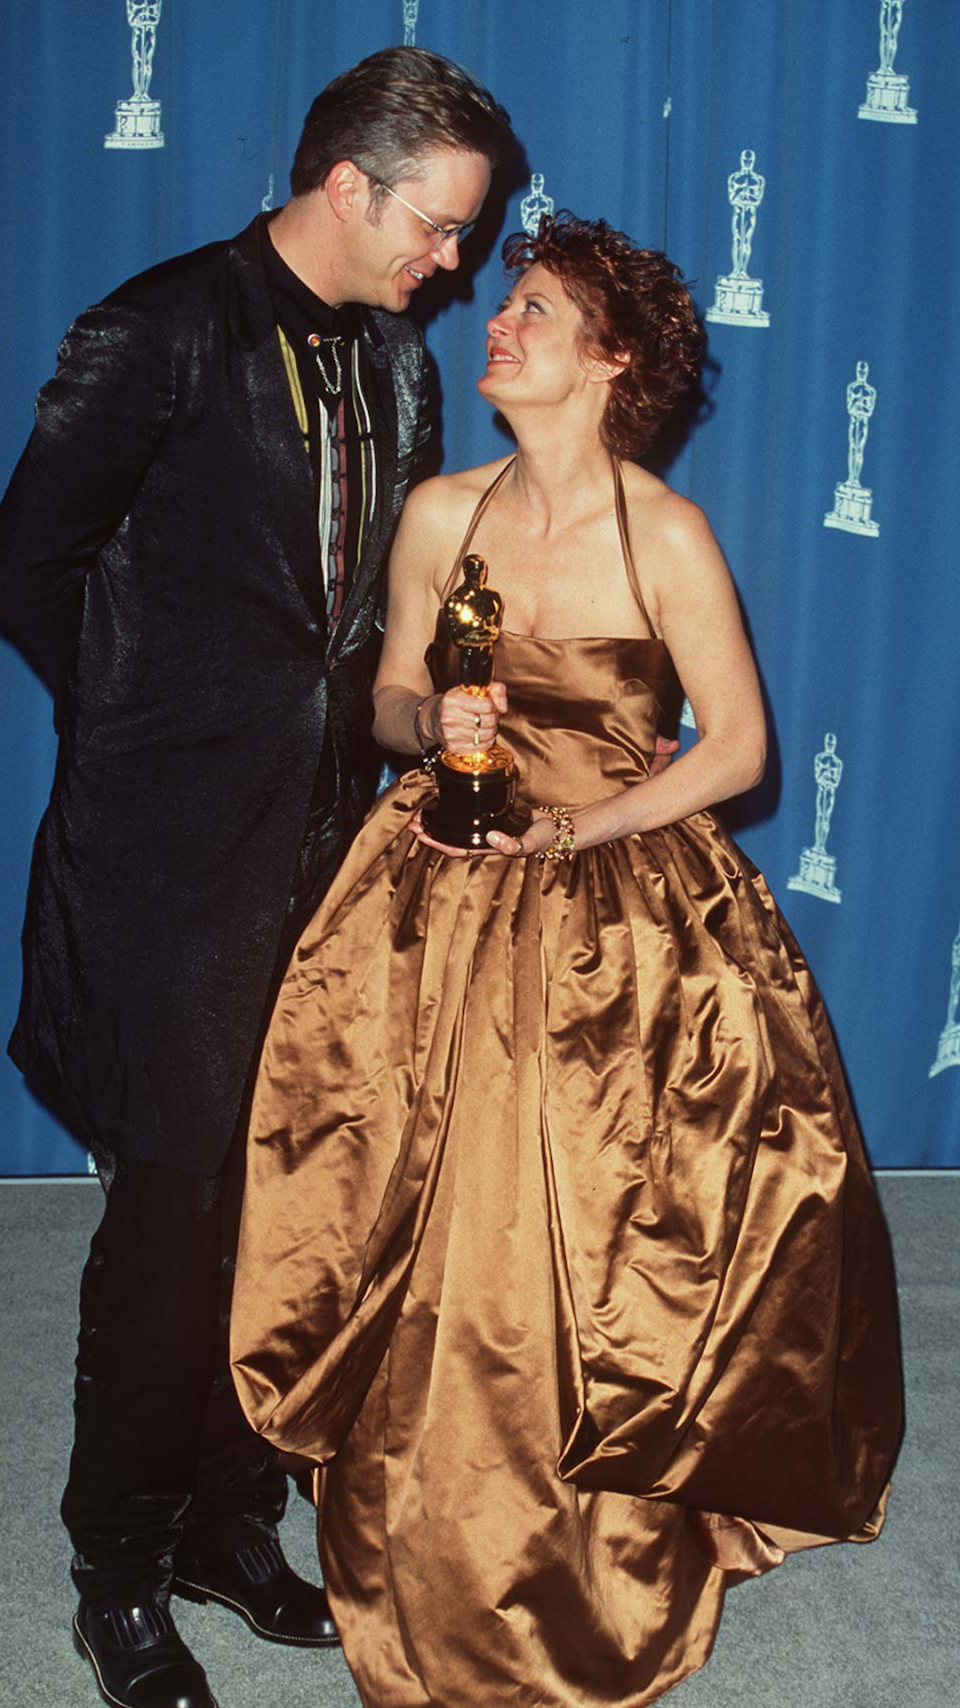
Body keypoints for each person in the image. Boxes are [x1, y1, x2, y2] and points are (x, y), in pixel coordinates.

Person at [231, 213, 904, 1708]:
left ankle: (588, 1530)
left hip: (616, 894)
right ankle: (427, 1513)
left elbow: (735, 750)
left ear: (609, 363)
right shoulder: (436, 516)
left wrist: (588, 822)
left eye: (533, 309)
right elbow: (392, 698)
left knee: (592, 1220)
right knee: (419, 1205)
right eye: (505, 303)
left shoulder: (662, 531)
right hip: (436, 883)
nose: (499, 323)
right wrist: (432, 731)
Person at [0, 47, 516, 1708]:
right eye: (441, 227)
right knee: (169, 1219)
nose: (458, 263)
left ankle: (231, 1518)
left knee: (289, 1210)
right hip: (166, 854)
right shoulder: (154, 330)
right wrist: (152, 716)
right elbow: (33, 564)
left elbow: (381, 610)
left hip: (328, 846)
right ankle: (116, 1564)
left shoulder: (401, 363)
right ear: (349, 186)